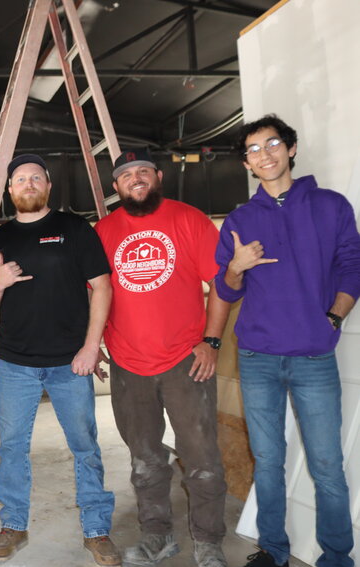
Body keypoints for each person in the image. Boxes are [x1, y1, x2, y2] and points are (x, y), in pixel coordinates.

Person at [215, 115, 359, 567]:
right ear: (247, 164)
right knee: (268, 461)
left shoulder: (331, 205)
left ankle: (336, 556)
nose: (265, 154)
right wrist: (237, 265)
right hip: (257, 358)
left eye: (272, 143)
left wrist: (334, 317)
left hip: (314, 356)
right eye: (254, 150)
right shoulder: (240, 219)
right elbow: (226, 290)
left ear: (291, 149)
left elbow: (353, 266)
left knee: (327, 467)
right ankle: (273, 551)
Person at [0, 154, 119, 566]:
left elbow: (102, 288)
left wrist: (91, 347)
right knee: (12, 449)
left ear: (48, 187)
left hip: (70, 362)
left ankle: (96, 529)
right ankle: (13, 525)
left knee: (85, 447)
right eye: (21, 179)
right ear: (10, 190)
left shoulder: (73, 228)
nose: (29, 183)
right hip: (15, 363)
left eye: (36, 177)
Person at [94, 149, 231, 567]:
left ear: (158, 177)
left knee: (203, 457)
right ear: (115, 187)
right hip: (127, 363)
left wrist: (212, 341)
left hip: (186, 361)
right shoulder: (102, 231)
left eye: (143, 172)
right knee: (144, 459)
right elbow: (94, 292)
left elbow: (221, 283)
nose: (135, 179)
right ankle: (158, 535)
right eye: (125, 176)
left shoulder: (189, 220)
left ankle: (208, 541)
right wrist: (93, 340)